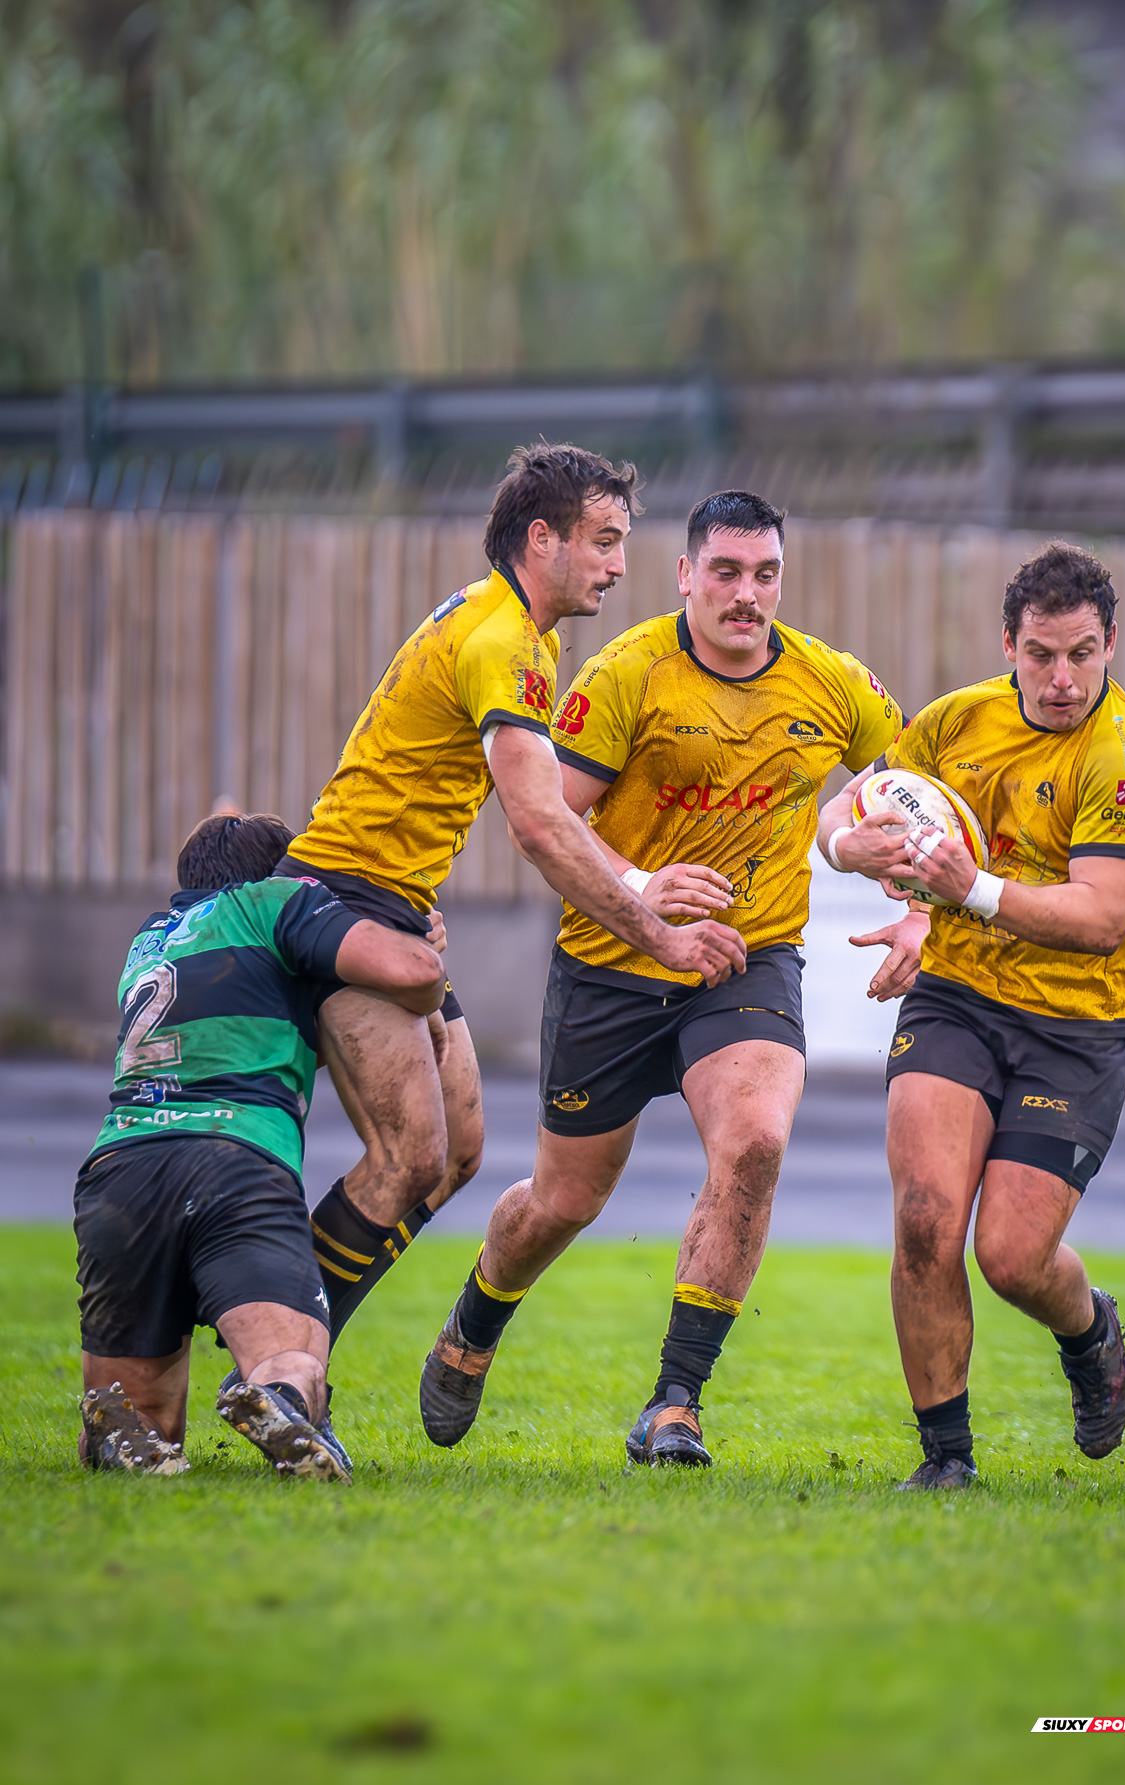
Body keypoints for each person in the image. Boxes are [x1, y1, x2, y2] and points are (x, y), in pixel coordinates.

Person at [418, 489, 925, 1466]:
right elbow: (554, 825)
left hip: (748, 957)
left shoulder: (834, 684)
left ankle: (675, 1402)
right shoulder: (624, 675)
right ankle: (476, 1322)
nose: (746, 595)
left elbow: (915, 796)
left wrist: (914, 905)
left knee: (757, 1141)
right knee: (563, 1202)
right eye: (725, 573)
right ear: (685, 574)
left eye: (764, 574)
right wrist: (648, 895)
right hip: (611, 965)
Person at [279, 444, 746, 1345]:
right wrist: (657, 933)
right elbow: (537, 824)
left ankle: (287, 1336)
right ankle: (279, 1353)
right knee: (408, 1153)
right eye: (604, 541)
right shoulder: (504, 642)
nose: (619, 565)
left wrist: (636, 881)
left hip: (389, 903)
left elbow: (531, 814)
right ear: (543, 538)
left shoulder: (510, 627)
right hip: (342, 902)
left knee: (455, 1154)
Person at [816, 543, 1125, 1489]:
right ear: (1007, 644)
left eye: (1083, 655)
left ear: (1112, 644)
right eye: (1041, 656)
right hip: (959, 1000)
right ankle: (947, 1463)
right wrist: (854, 853)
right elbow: (853, 809)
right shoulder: (954, 722)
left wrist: (963, 891)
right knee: (926, 1220)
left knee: (1013, 1257)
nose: (1063, 680)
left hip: (1075, 1030)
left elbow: (1101, 919)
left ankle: (1089, 1328)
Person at [74, 811, 446, 1483]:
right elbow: (414, 971)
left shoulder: (151, 940)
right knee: (291, 1359)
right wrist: (415, 949)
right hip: (234, 1164)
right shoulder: (278, 903)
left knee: (145, 1419)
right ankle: (277, 1399)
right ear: (285, 875)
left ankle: (118, 1434)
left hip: (118, 1175)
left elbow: (251, 1036)